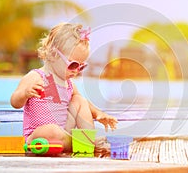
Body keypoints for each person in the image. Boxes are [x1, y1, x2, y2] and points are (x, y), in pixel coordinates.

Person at [10, 22, 118, 152]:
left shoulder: (69, 83)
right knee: (52, 131)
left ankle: (84, 140)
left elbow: (84, 105)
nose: (76, 71)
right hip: (38, 137)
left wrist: (98, 114)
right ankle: (83, 143)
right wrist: (25, 93)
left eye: (81, 66)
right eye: (73, 65)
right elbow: (14, 102)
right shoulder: (36, 77)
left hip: (63, 132)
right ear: (53, 54)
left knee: (79, 101)